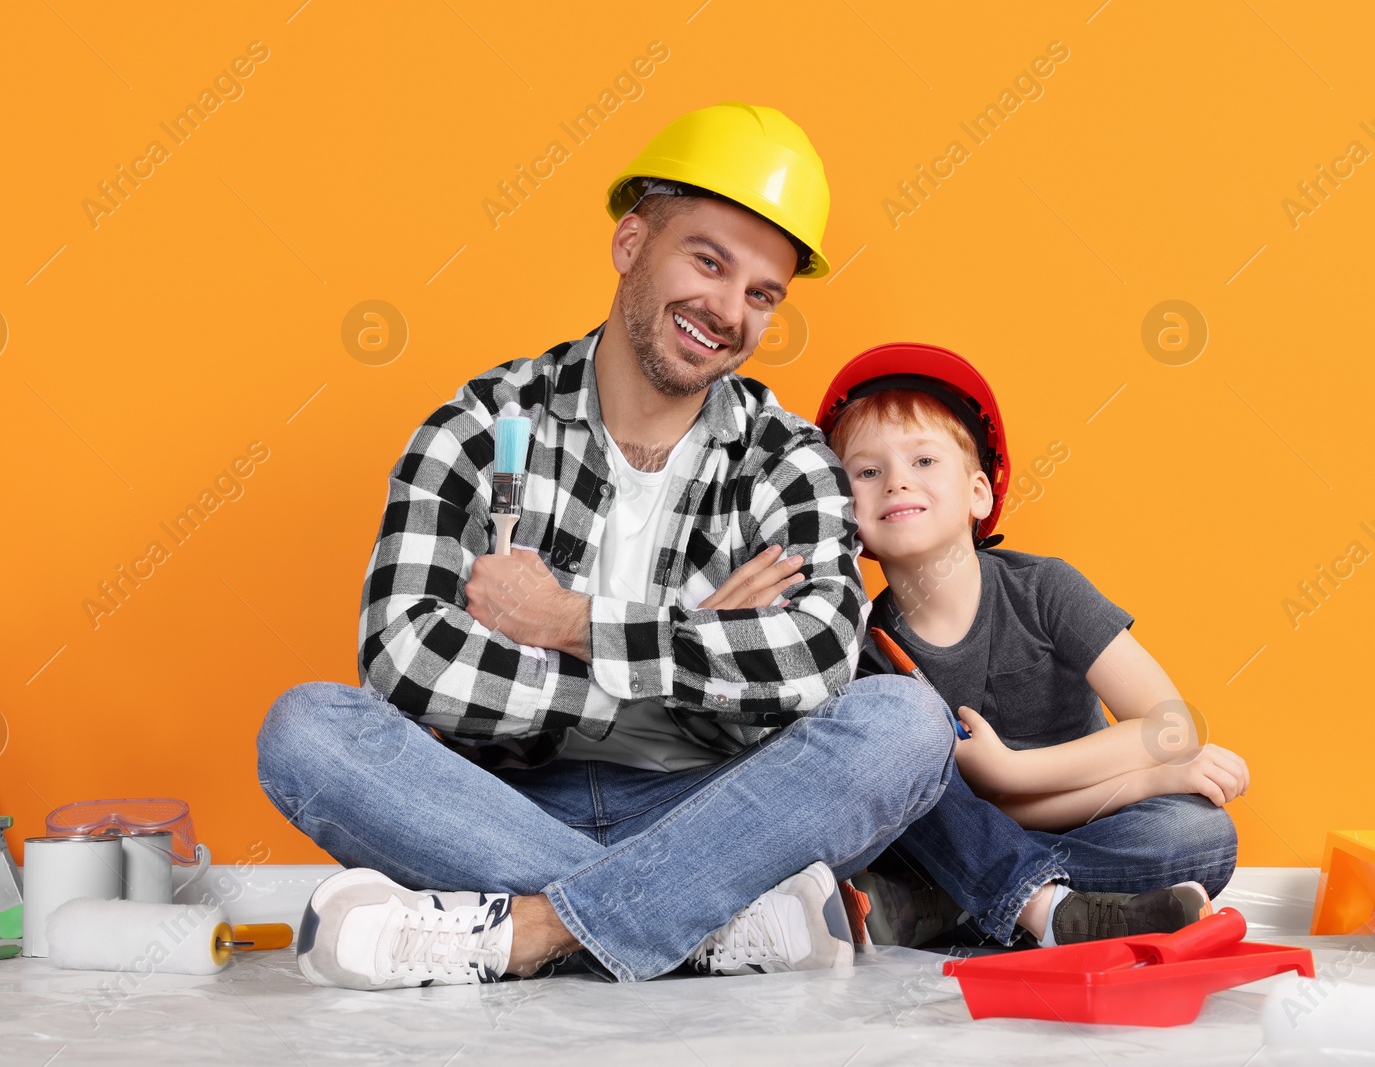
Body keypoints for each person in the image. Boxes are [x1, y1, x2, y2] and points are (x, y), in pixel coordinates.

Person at [256, 104, 960, 990]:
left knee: (905, 724)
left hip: (718, 803)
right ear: (630, 243)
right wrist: (688, 644)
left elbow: (817, 659)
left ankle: (529, 928)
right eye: (707, 260)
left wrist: (568, 620)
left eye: (761, 293)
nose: (727, 310)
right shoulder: (481, 422)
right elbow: (405, 655)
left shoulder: (786, 457)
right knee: (305, 730)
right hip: (498, 800)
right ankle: (705, 923)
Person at [811, 343, 1246, 948]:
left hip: (1084, 816)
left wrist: (1028, 772)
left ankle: (952, 904)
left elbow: (1170, 729)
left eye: (925, 459)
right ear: (844, 515)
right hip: (960, 838)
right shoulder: (864, 647)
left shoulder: (1044, 588)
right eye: (866, 472)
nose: (897, 481)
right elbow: (958, 814)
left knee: (1199, 834)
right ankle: (1044, 908)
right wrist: (1133, 776)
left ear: (979, 495)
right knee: (902, 819)